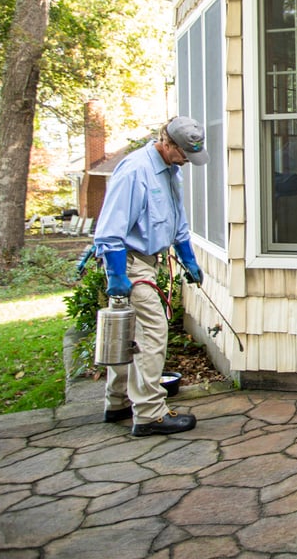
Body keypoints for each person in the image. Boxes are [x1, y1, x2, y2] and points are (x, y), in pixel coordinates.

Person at [94, 116, 208, 436]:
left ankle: (117, 403)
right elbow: (110, 232)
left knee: (126, 336)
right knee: (152, 333)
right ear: (167, 142)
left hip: (149, 261)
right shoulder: (135, 172)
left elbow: (176, 221)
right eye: (183, 152)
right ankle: (149, 414)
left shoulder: (171, 172)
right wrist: (117, 276)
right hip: (129, 264)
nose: (187, 160)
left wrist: (188, 259)